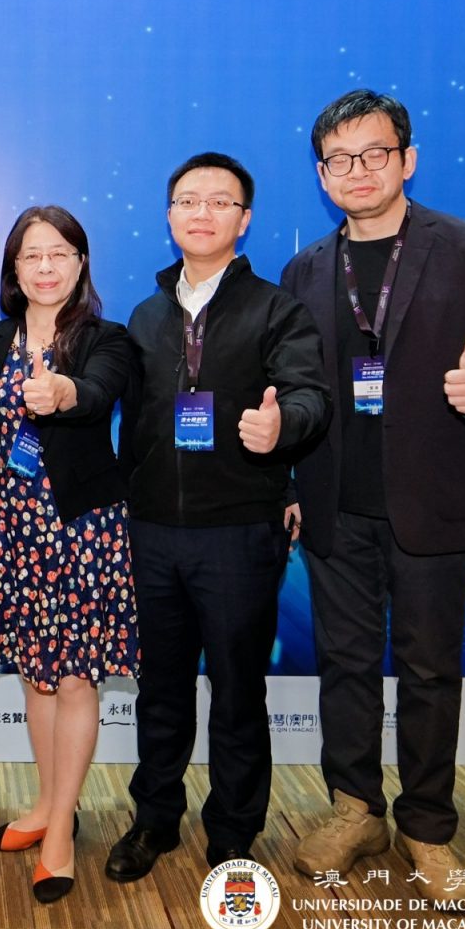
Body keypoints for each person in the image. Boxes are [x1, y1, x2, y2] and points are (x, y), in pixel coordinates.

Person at [281, 89, 465, 912]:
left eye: (374, 153)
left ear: (408, 159)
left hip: (433, 501)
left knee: (430, 670)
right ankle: (355, 811)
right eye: (339, 159)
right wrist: (290, 486)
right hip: (335, 505)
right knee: (345, 667)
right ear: (322, 174)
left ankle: (427, 827)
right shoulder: (305, 270)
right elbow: (293, 390)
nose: (357, 171)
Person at [105, 152, 331, 883]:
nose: (201, 213)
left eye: (219, 201)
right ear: (169, 215)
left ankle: (233, 832)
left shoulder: (275, 309)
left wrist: (283, 426)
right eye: (187, 200)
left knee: (237, 693)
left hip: (239, 532)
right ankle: (154, 819)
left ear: (244, 219)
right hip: (152, 533)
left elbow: (310, 394)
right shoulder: (145, 316)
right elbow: (130, 422)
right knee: (160, 690)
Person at [0, 206, 138, 905]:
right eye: (31, 254)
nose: (45, 266)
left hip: (84, 531)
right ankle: (42, 803)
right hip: (15, 532)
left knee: (74, 682)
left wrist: (62, 390)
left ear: (80, 263)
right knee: (37, 679)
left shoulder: (104, 339)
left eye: (59, 253)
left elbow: (96, 394)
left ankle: (60, 827)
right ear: (14, 267)